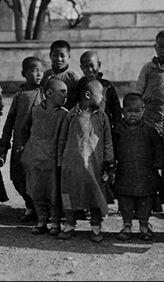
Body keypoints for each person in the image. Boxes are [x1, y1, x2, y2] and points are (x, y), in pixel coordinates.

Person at [56, 79, 114, 243]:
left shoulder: (102, 117)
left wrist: (109, 161)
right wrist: (60, 160)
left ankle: (96, 228)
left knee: (94, 196)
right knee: (68, 195)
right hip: (71, 165)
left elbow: (108, 140)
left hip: (94, 166)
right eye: (100, 94)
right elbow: (62, 138)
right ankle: (69, 226)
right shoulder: (71, 114)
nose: (102, 98)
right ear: (88, 95)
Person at [134, 30, 164, 214]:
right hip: (149, 121)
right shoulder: (148, 68)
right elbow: (138, 91)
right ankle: (147, 204)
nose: (163, 51)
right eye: (160, 46)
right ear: (155, 47)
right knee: (147, 162)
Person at [112, 93, 164, 242]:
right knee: (125, 202)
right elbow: (112, 149)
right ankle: (127, 226)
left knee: (145, 201)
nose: (133, 115)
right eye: (129, 111)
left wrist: (158, 162)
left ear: (143, 111)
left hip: (145, 174)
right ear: (123, 111)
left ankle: (144, 227)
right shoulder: (118, 130)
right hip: (124, 173)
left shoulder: (149, 130)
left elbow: (158, 147)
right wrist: (110, 163)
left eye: (137, 111)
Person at [19, 78, 69, 236]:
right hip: (34, 160)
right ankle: (41, 221)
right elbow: (24, 128)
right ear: (48, 93)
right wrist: (22, 145)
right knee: (37, 191)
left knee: (54, 193)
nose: (65, 96)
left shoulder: (64, 115)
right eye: (62, 92)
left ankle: (55, 222)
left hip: (53, 162)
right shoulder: (35, 111)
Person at [0, 57, 45, 223]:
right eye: (34, 70)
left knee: (38, 177)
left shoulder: (45, 93)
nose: (38, 74)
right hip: (20, 144)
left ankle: (41, 209)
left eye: (41, 70)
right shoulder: (19, 96)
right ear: (23, 74)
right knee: (18, 176)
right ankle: (29, 205)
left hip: (38, 144)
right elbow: (10, 121)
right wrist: (5, 144)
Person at [71, 50, 123, 134]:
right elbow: (74, 104)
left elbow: (116, 108)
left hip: (104, 128)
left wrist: (117, 127)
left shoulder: (107, 86)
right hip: (85, 129)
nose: (89, 70)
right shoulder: (81, 85)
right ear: (81, 68)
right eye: (85, 67)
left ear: (99, 65)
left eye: (92, 65)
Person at [40, 40, 81, 111]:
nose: (59, 59)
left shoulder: (74, 77)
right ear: (50, 56)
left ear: (69, 56)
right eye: (55, 55)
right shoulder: (45, 75)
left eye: (62, 56)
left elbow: (78, 99)